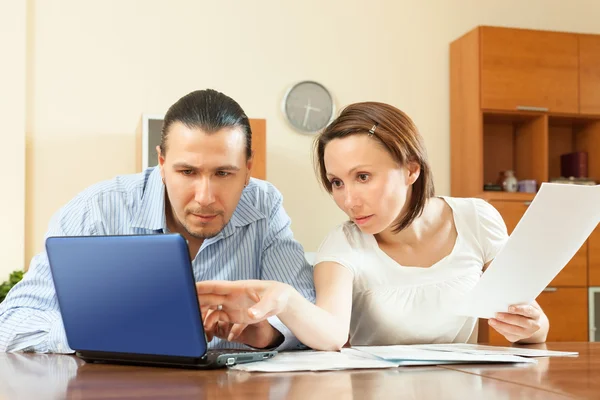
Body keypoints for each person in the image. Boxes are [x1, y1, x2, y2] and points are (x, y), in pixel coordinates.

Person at [196, 101, 550, 351]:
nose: (349, 200)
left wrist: (532, 327)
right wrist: (285, 298)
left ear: (411, 169)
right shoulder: (343, 244)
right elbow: (332, 334)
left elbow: (531, 320)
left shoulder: (478, 218)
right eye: (337, 183)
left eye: (363, 176)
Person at [0, 89, 315, 353]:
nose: (205, 197)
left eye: (223, 173)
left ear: (248, 168)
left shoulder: (264, 204)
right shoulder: (96, 210)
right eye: (187, 172)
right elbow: (11, 322)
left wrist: (267, 334)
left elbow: (308, 312)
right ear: (162, 163)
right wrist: (103, 329)